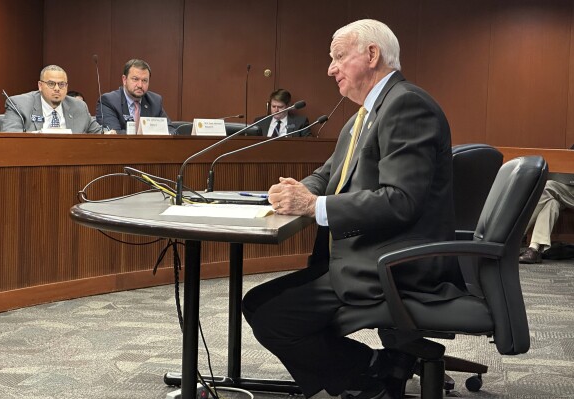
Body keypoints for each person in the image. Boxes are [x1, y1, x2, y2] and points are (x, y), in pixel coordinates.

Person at [241, 19, 467, 399]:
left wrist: (314, 206)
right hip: (367, 253)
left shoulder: (407, 105)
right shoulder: (361, 117)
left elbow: (400, 200)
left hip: (395, 263)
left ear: (372, 55)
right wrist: (295, 191)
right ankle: (386, 367)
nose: (330, 69)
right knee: (264, 303)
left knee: (268, 312)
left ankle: (371, 374)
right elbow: (326, 175)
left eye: (338, 57)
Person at [1, 65, 103, 133]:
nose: (57, 89)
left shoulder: (79, 107)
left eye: (61, 84)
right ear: (40, 85)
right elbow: (11, 138)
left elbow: (99, 135)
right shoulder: (19, 105)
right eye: (51, 84)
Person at [96, 59, 177, 135]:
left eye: (144, 80)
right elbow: (114, 134)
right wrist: (146, 133)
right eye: (135, 79)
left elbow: (171, 130)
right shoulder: (109, 101)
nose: (140, 85)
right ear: (124, 80)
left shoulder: (154, 101)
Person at [519, 178, 574, 264]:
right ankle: (534, 248)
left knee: (546, 186)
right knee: (552, 203)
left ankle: (516, 232)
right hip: (564, 187)